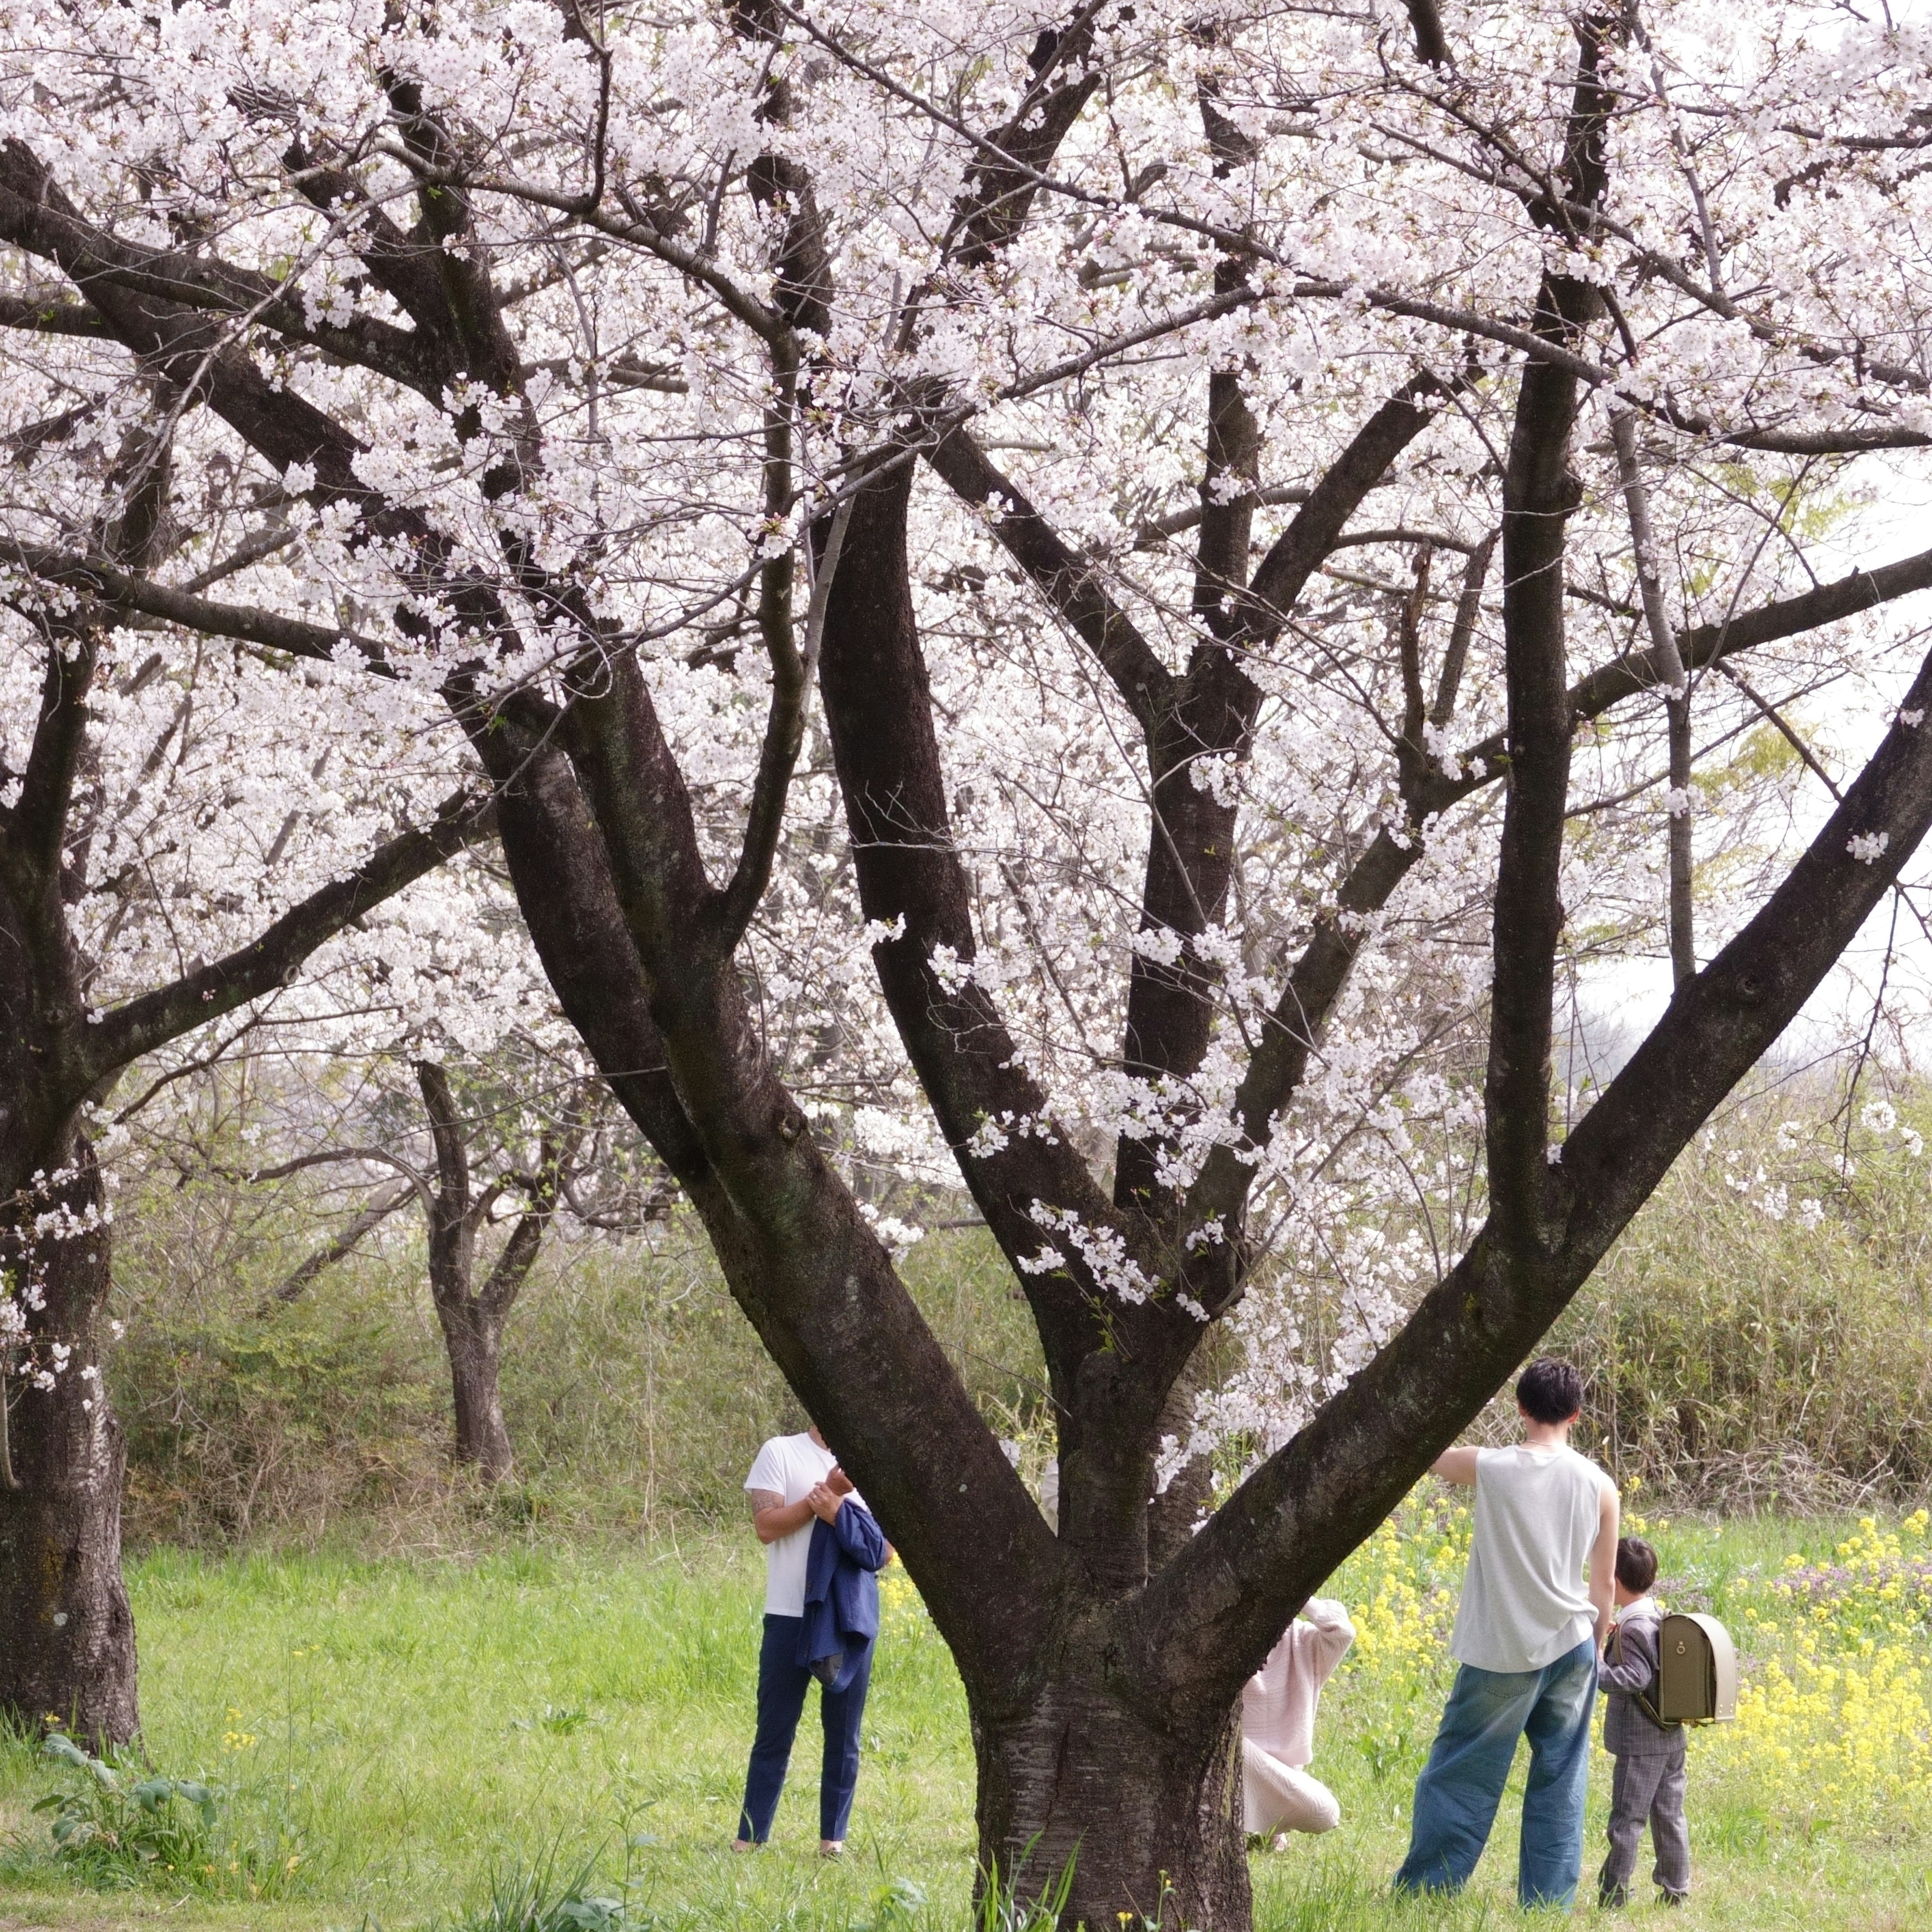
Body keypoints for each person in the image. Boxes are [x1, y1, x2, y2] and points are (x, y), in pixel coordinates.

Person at [1392, 1358, 1620, 1910]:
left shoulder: (1491, 1467)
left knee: (1461, 1772)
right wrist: (1597, 1643)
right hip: (1573, 1644)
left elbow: (1428, 1455)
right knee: (1561, 1778)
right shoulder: (1600, 1485)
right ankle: (1547, 1906)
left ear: (1520, 1407)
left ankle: (1427, 1891)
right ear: (1577, 1414)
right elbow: (1605, 1582)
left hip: (1500, 1652)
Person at [732, 1422, 887, 1856]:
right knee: (774, 1730)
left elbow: (886, 1551)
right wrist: (822, 1496)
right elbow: (766, 1527)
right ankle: (750, 1838)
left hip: (849, 1619)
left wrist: (839, 1512)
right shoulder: (780, 1452)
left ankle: (832, 1842)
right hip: (788, 1614)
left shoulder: (880, 1464)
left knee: (844, 1735)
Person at [1596, 1536, 1691, 1909]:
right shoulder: (1655, 1617)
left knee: (1627, 1820)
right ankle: (1676, 1889)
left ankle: (1613, 1895)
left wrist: (1596, 1669)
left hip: (1641, 1743)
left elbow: (1635, 1678)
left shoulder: (1634, 1627)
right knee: (1669, 1816)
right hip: (1671, 1738)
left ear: (1614, 1579)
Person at [1241, 1597, 1355, 1845]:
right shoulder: (1223, 1641)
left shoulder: (1305, 1643)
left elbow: (1342, 1632)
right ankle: (1256, 1824)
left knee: (1324, 1812)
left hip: (1278, 1776)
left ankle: (1265, 1824)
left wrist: (1299, 1597)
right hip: (1232, 1760)